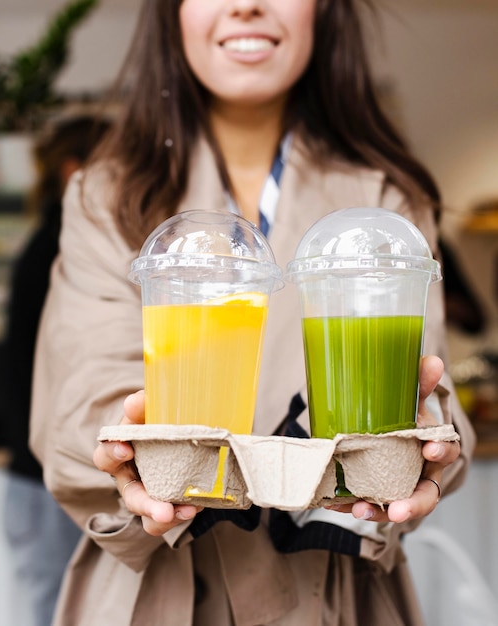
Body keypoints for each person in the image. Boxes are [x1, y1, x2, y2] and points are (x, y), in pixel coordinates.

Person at [29, 1, 474, 625]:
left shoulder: (387, 200)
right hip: (161, 591)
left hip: (335, 589)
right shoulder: (107, 195)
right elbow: (83, 389)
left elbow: (433, 387)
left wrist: (424, 436)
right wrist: (135, 453)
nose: (246, 4)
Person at [0, 114, 110, 626]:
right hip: (46, 479)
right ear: (74, 171)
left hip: (45, 474)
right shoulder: (61, 253)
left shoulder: (58, 246)